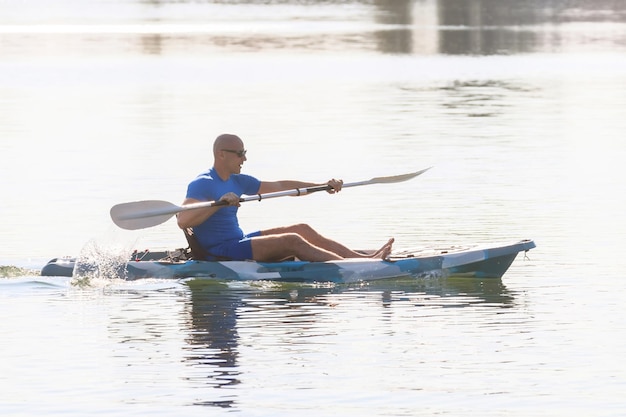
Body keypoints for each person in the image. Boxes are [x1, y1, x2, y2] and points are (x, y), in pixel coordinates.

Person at [177, 133, 393, 262]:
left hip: (237, 240)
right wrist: (218, 205)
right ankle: (359, 267)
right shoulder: (203, 183)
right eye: (240, 153)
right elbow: (183, 220)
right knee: (292, 241)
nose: (245, 158)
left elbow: (282, 187)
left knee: (302, 229)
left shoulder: (239, 180)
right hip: (219, 252)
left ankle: (361, 259)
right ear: (221, 154)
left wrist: (322, 186)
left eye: (245, 152)